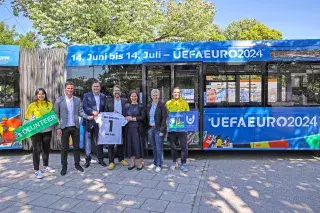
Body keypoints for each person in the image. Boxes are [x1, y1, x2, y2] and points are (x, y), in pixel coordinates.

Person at [54, 81, 93, 176]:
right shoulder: (59, 100)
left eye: (71, 88)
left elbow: (80, 112)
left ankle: (77, 164)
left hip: (75, 126)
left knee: (77, 147)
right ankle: (64, 167)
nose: (70, 90)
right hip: (64, 127)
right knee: (64, 148)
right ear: (65, 89)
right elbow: (56, 115)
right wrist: (58, 127)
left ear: (73, 89)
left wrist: (88, 117)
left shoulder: (77, 100)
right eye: (68, 88)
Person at [25, 88, 55, 179]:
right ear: (36, 95)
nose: (41, 96)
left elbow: (53, 116)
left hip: (47, 131)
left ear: (45, 95)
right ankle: (37, 170)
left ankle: (45, 167)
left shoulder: (50, 104)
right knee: (36, 150)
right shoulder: (32, 105)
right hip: (36, 132)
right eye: (39, 94)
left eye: (42, 94)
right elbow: (27, 118)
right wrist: (27, 129)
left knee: (46, 149)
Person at [82, 81, 107, 168]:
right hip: (90, 121)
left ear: (100, 87)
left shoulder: (103, 97)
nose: (96, 88)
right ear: (91, 87)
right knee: (88, 141)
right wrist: (92, 112)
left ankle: (101, 159)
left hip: (100, 122)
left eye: (97, 86)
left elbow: (105, 108)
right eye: (94, 86)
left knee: (100, 141)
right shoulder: (86, 95)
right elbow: (85, 107)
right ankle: (87, 159)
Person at [166, 87, 190, 172]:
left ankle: (183, 163)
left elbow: (188, 115)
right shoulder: (168, 103)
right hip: (172, 129)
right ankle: (174, 162)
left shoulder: (185, 102)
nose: (176, 94)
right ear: (172, 93)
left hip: (182, 129)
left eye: (178, 92)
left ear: (180, 93)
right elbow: (166, 116)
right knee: (173, 147)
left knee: (184, 147)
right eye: (175, 92)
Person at [105, 85, 129, 170]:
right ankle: (111, 161)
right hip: (112, 125)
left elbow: (128, 112)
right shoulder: (108, 101)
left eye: (118, 90)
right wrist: (112, 112)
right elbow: (105, 113)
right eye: (115, 91)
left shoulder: (125, 101)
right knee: (111, 143)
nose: (116, 92)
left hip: (122, 125)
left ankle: (121, 159)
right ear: (113, 92)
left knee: (121, 142)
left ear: (120, 92)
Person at [124, 90, 146, 170]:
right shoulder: (126, 106)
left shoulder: (141, 106)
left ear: (137, 97)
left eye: (135, 96)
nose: (133, 97)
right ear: (130, 97)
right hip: (129, 129)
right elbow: (123, 116)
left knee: (138, 146)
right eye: (132, 96)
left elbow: (143, 117)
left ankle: (140, 163)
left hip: (138, 129)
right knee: (131, 146)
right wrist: (125, 118)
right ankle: (132, 163)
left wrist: (132, 118)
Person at [147, 89, 167, 173]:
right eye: (154, 95)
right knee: (154, 147)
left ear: (159, 96)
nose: (155, 97)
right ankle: (155, 162)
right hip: (151, 129)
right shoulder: (149, 105)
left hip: (158, 129)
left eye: (157, 95)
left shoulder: (162, 105)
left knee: (159, 148)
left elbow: (164, 118)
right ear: (151, 96)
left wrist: (162, 130)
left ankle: (159, 164)